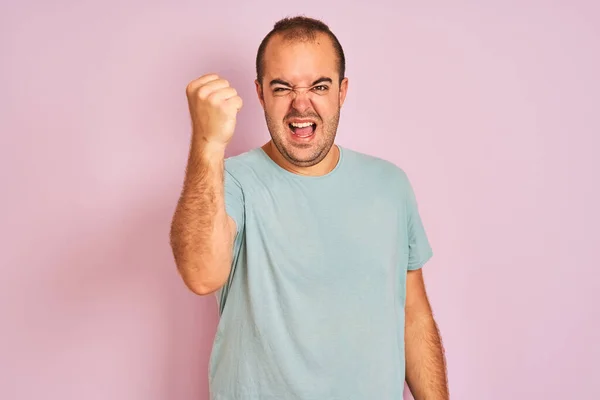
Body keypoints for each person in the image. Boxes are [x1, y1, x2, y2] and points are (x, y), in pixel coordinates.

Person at [170, 15, 449, 400]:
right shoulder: (226, 182)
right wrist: (207, 143)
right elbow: (201, 275)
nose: (301, 105)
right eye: (282, 87)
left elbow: (414, 316)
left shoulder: (390, 185)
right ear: (260, 93)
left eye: (319, 85)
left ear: (342, 91)